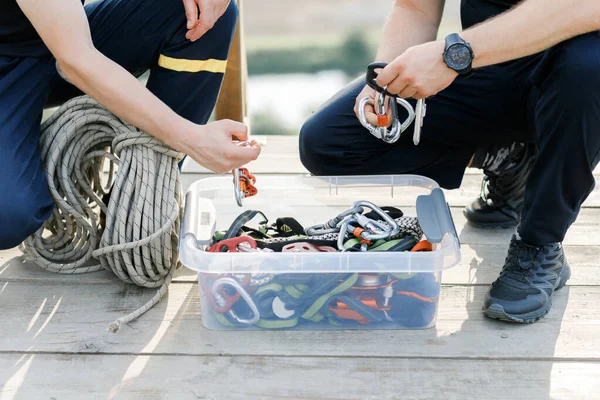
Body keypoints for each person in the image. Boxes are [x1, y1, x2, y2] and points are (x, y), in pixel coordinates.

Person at [299, 0, 600, 323]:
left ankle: (539, 243)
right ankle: (509, 159)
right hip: (489, 63)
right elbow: (415, 9)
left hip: (575, 71)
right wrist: (385, 80)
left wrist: (455, 54)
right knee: (329, 143)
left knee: (589, 67)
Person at [0, 0, 261, 250]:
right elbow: (76, 61)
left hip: (58, 33)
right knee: (9, 217)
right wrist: (193, 139)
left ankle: (138, 209)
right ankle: (35, 165)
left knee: (203, 11)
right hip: (25, 62)